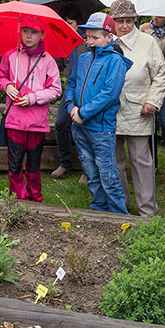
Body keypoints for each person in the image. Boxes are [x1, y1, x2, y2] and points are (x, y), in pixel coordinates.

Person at [63, 12, 131, 213]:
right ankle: (99, 210)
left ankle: (119, 214)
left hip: (101, 129)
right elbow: (72, 83)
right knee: (91, 172)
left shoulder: (115, 61)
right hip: (79, 127)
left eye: (95, 37)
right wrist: (70, 106)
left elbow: (109, 93)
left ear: (109, 37)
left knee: (107, 173)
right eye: (88, 37)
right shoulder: (83, 58)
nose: (89, 41)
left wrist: (83, 113)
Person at [109, 0, 165, 217]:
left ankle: (147, 212)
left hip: (138, 111)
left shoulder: (147, 42)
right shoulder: (105, 41)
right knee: (114, 162)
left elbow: (162, 75)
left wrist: (153, 101)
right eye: (119, 21)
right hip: (109, 112)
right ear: (112, 21)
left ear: (135, 20)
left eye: (128, 21)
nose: (124, 25)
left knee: (141, 163)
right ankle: (120, 207)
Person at [0, 16, 61, 202]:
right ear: (20, 32)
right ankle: (17, 198)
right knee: (14, 163)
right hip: (14, 122)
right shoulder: (10, 56)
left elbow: (56, 89)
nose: (28, 36)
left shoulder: (48, 61)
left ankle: (35, 197)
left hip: (36, 123)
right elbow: (1, 77)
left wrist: (33, 98)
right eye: (25, 31)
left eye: (33, 32)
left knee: (33, 164)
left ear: (42, 35)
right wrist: (7, 85)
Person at [140, 15, 165, 179]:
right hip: (148, 80)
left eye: (160, 16)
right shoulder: (144, 28)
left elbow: (160, 49)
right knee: (149, 124)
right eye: (154, 15)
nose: (155, 18)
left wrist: (149, 33)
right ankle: (152, 163)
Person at [51, 7, 88, 180]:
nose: (67, 25)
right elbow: (59, 65)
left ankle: (87, 169)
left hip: (88, 90)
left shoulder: (87, 40)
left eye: (70, 23)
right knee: (61, 123)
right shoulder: (63, 39)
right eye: (64, 22)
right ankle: (65, 162)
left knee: (84, 126)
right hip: (71, 88)